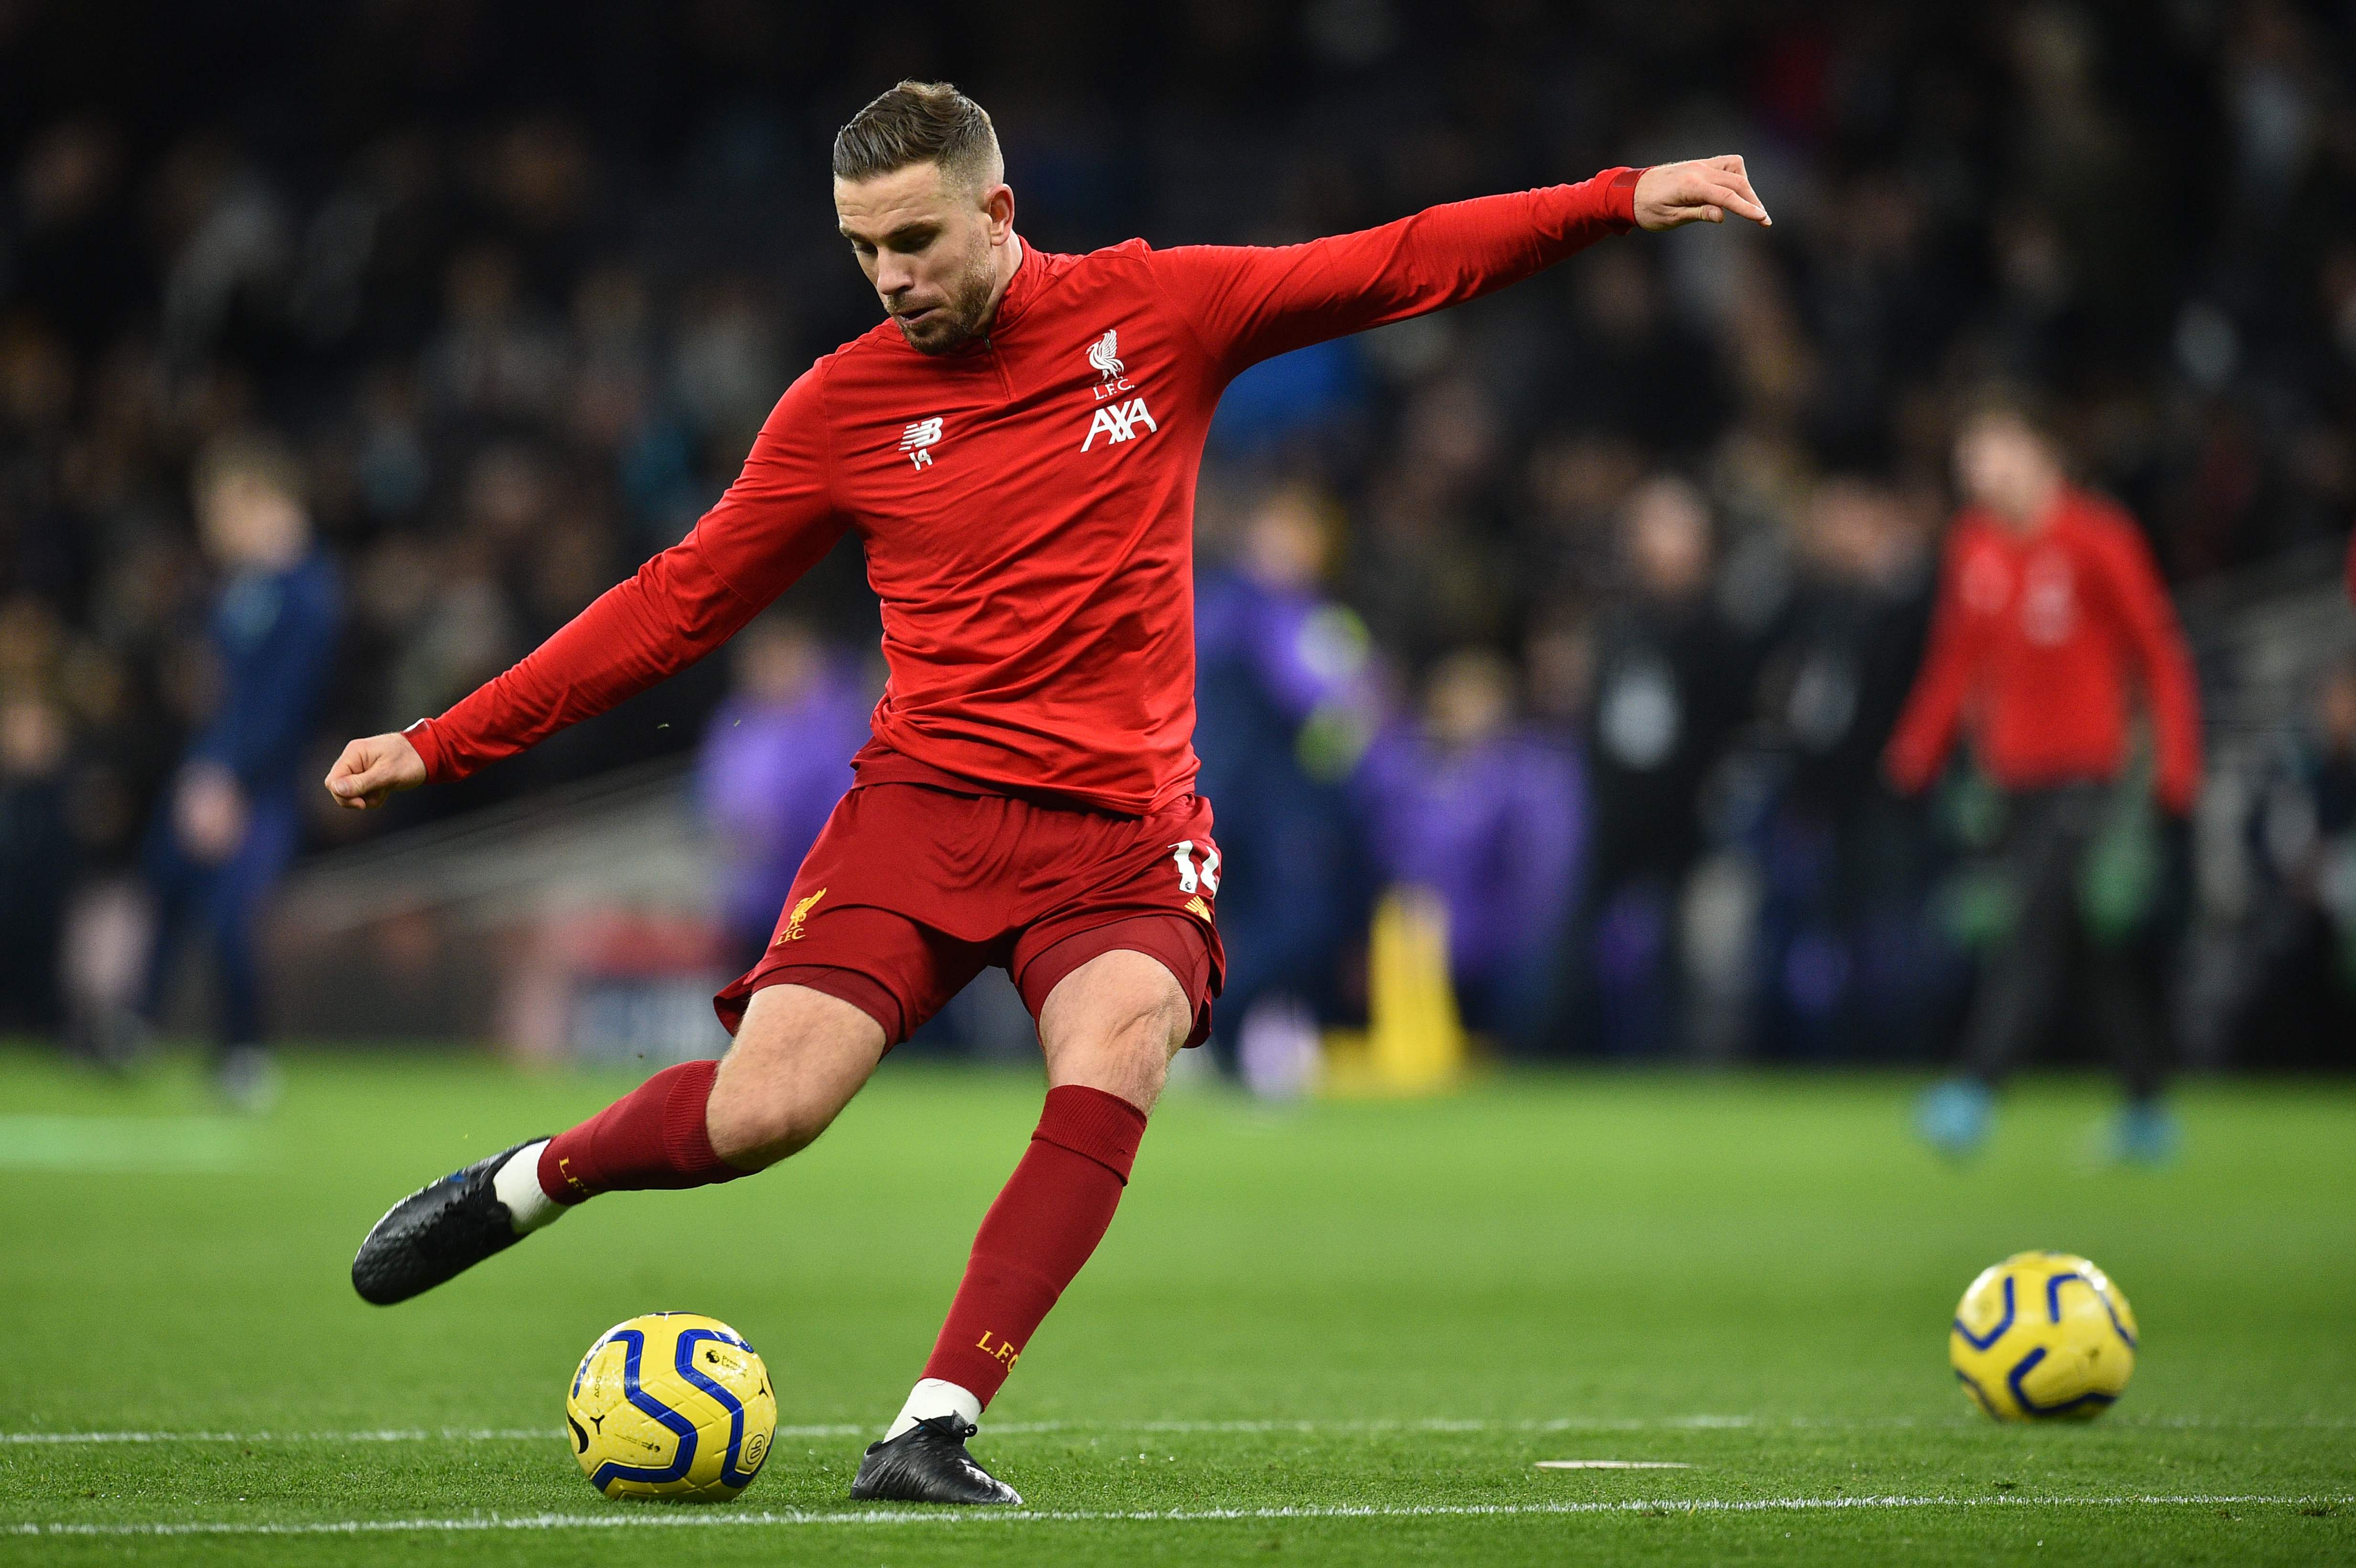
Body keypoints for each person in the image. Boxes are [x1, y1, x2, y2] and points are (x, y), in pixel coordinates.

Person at [327, 81, 1768, 1505]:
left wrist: (1610, 200)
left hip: (1122, 831)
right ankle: (530, 1181)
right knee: (765, 1114)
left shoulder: (1158, 316)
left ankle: (930, 1428)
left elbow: (1392, 262)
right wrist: (446, 738)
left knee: (1119, 1041)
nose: (889, 279)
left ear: (996, 210)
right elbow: (676, 603)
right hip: (922, 808)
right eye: (863, 251)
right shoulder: (841, 406)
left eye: (915, 242)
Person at [1884, 399, 2202, 1162]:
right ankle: (2147, 1109)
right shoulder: (1975, 546)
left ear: (2038, 453)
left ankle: (1975, 1090)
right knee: (2086, 943)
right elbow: (1956, 655)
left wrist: (2178, 763)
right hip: (2012, 773)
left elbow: (2157, 652)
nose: (1977, 473)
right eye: (1970, 460)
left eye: (1991, 453)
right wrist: (1918, 749)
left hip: (2087, 770)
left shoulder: (2098, 538)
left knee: (2029, 922)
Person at [141, 432, 342, 1108]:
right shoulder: (246, 589)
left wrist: (229, 777)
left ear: (261, 500)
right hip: (215, 773)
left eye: (220, 507)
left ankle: (245, 1054)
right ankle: (140, 1028)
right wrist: (206, 768)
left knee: (234, 918)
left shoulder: (309, 591)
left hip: (265, 787)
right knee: (167, 885)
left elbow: (285, 705)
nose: (212, 526)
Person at [1353, 648, 1582, 1050]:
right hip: (1414, 939)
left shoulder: (1528, 773)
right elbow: (1383, 852)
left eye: (1477, 700)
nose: (1463, 712)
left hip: (1495, 941)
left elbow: (1539, 870)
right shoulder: (1404, 767)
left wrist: (1513, 933)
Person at [694, 613, 872, 974]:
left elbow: (847, 803)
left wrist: (781, 826)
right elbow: (708, 794)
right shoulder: (736, 720)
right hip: (755, 907)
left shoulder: (840, 720)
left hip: (825, 903)